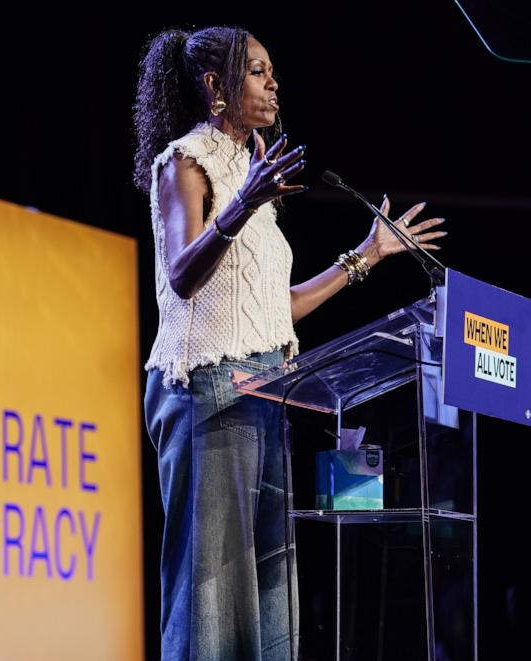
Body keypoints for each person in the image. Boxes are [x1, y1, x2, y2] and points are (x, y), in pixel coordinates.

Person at [133, 27, 446, 661]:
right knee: (212, 603)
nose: (273, 82)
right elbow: (182, 275)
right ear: (216, 86)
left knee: (268, 602)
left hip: (266, 395)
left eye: (272, 70)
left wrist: (367, 255)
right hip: (209, 394)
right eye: (256, 71)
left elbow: (276, 307)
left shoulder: (250, 173)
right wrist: (242, 204)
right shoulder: (186, 162)